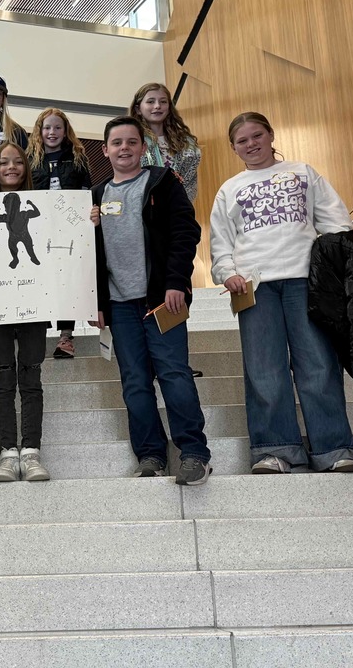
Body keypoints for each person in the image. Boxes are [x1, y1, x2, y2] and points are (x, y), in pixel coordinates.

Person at [210, 111, 353, 474]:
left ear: (271, 135)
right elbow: (220, 243)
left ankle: (334, 449)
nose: (251, 144)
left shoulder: (303, 172)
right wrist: (227, 273)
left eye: (257, 135)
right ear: (233, 147)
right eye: (242, 140)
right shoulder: (229, 188)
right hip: (253, 287)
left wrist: (332, 260)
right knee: (263, 369)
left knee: (319, 364)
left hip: (305, 281)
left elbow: (337, 222)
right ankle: (274, 450)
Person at [90, 116, 212, 486]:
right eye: (117, 142)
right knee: (135, 383)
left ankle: (194, 454)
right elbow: (87, 255)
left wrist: (176, 282)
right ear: (105, 149)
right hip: (119, 306)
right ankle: (150, 456)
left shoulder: (161, 182)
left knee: (174, 375)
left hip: (163, 301)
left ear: (144, 149)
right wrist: (94, 301)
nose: (124, 148)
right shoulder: (94, 197)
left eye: (132, 142)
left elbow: (185, 231)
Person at [0, 143, 50, 483]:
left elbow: (46, 221)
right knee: (3, 373)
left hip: (34, 301)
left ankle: (32, 451)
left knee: (31, 372)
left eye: (18, 162)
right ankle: (8, 452)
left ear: (27, 167)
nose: (11, 167)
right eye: (4, 162)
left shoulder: (34, 209)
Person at [28, 107, 93, 358]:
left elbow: (86, 189)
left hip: (69, 229)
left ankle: (66, 336)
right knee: (41, 277)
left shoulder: (78, 156)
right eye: (47, 127)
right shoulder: (30, 157)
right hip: (38, 228)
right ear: (39, 131)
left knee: (67, 281)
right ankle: (34, 334)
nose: (52, 132)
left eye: (57, 127)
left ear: (66, 131)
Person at [130, 83, 202, 202]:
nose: (157, 106)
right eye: (151, 102)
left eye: (163, 102)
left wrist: (180, 208)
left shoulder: (186, 143)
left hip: (177, 209)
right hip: (142, 208)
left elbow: (189, 183)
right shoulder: (132, 142)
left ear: (169, 107)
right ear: (138, 109)